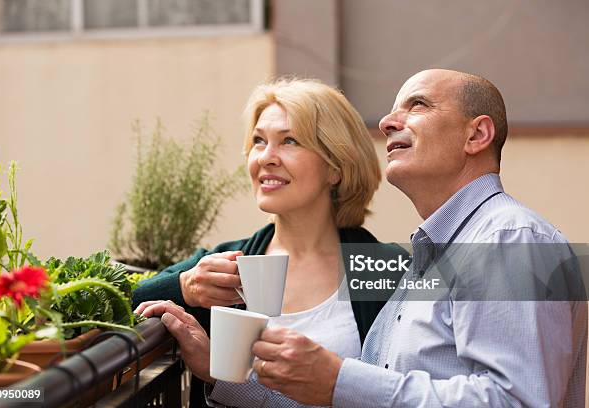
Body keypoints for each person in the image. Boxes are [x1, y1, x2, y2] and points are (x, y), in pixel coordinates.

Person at [166, 69, 587, 407]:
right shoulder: (434, 252)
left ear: (476, 136)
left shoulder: (508, 239)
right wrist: (231, 377)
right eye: (258, 142)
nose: (387, 122)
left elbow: (516, 401)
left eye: (417, 104)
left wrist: (338, 379)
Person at [132, 78, 407, 407]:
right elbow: (112, 305)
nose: (266, 157)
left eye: (289, 141)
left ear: (335, 168)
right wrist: (182, 286)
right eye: (259, 141)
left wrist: (221, 374)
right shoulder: (225, 264)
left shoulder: (387, 268)